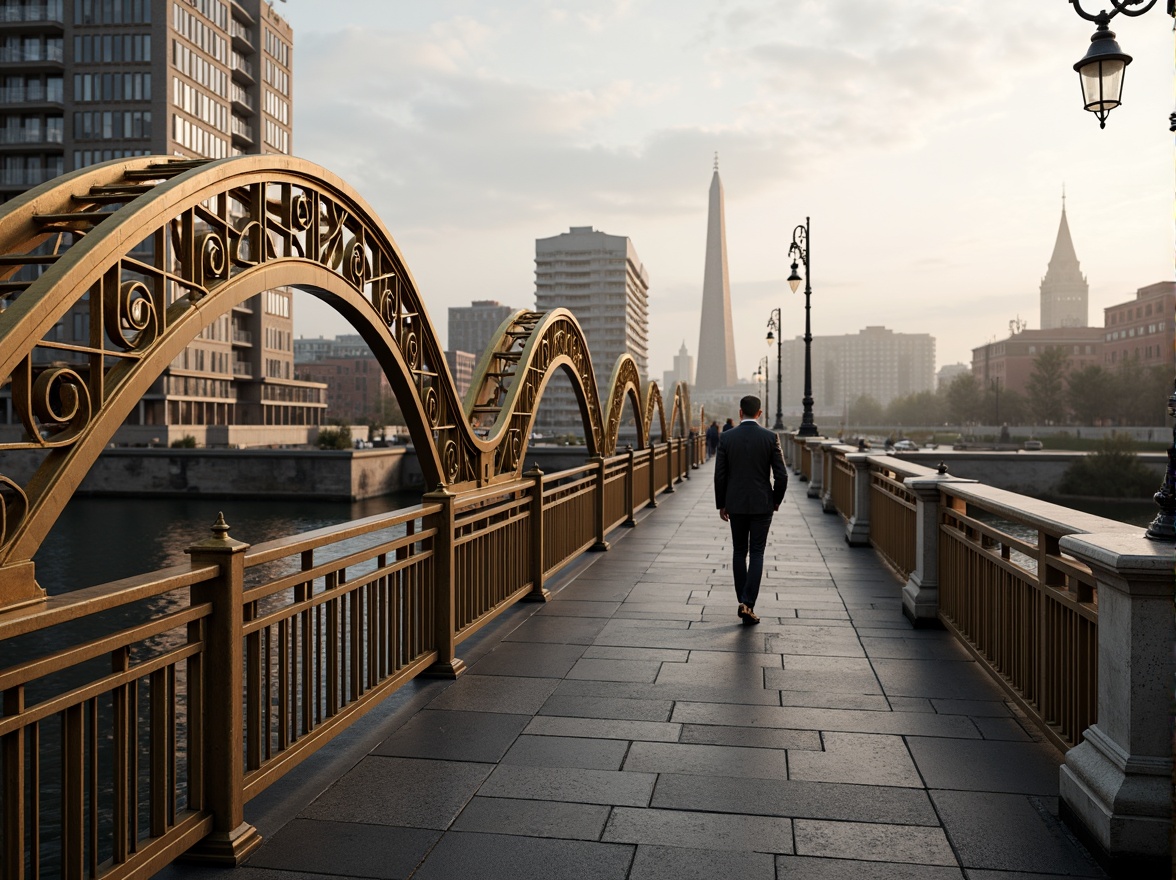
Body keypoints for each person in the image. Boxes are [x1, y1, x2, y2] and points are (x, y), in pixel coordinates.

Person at [714, 395, 787, 625]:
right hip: (761, 504)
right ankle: (748, 603)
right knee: (757, 553)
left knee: (738, 551)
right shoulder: (770, 437)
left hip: (735, 503)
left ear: (739, 413)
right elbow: (782, 475)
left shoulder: (726, 437)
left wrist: (722, 503)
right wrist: (775, 500)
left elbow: (720, 475)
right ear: (760, 413)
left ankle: (743, 601)